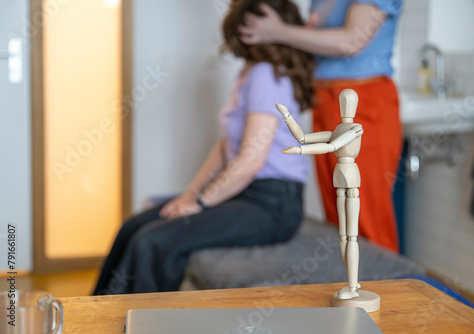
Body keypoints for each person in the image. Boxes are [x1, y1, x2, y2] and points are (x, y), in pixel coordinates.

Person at [93, 0, 314, 295]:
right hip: (247, 194)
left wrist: (199, 203)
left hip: (273, 204)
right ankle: (94, 316)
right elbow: (227, 149)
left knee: (152, 241)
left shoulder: (266, 74)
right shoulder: (248, 73)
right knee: (133, 227)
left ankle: (131, 323)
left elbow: (250, 161)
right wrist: (189, 195)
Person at [239, 0, 403, 252]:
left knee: (365, 214)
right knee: (338, 212)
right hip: (325, 101)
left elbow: (351, 41)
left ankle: (385, 287)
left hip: (361, 101)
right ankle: (349, 284)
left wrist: (277, 31)